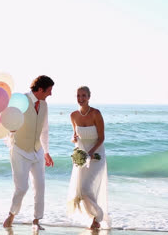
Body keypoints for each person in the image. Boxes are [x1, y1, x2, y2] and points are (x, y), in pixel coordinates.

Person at [3, 75, 55, 231]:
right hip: (19, 150)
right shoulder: (21, 101)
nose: (50, 94)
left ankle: (36, 220)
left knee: (40, 186)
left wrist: (46, 152)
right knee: (22, 188)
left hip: (37, 151)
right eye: (49, 91)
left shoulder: (44, 105)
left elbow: (44, 130)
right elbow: (5, 122)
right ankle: (11, 215)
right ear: (40, 89)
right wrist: (10, 134)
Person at [67, 86, 111, 230]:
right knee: (80, 190)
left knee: (86, 188)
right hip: (81, 156)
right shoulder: (73, 115)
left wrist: (91, 152)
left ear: (89, 97)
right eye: (78, 96)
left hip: (96, 155)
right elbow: (75, 137)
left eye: (84, 96)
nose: (81, 99)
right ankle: (95, 218)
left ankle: (98, 216)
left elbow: (102, 138)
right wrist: (74, 139)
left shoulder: (96, 114)